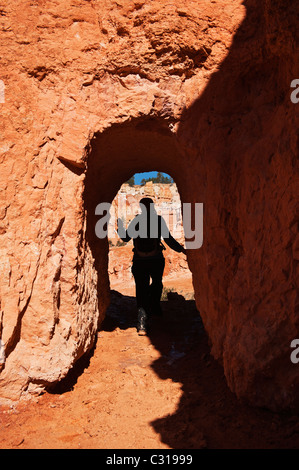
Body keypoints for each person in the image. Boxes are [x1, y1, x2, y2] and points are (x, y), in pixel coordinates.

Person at [117, 197, 186, 335]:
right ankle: (155, 307)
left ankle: (142, 322)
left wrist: (119, 228)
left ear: (141, 207)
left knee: (141, 289)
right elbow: (168, 239)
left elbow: (125, 238)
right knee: (157, 283)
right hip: (156, 259)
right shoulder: (158, 220)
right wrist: (182, 250)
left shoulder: (136, 220)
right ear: (152, 207)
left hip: (139, 260)